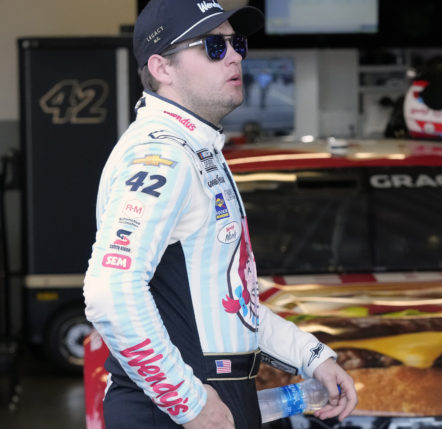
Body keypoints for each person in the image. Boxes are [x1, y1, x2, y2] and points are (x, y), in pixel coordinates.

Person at [82, 1, 357, 428]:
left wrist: (311, 356)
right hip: (173, 407)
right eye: (213, 46)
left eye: (237, 43)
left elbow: (231, 305)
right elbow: (109, 291)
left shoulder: (198, 149)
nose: (234, 56)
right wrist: (187, 402)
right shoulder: (160, 155)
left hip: (215, 394)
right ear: (162, 67)